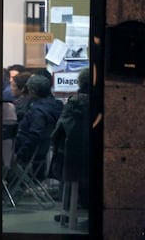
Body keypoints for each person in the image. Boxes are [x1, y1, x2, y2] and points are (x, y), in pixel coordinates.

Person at [51, 68, 90, 210]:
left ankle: (68, 206)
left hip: (74, 158)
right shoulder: (102, 102)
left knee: (63, 157)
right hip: (95, 157)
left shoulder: (74, 103)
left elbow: (60, 130)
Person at [15, 75, 63, 179]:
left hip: (26, 152)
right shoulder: (56, 106)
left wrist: (20, 155)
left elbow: (34, 136)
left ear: (33, 91)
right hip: (42, 152)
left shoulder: (38, 111)